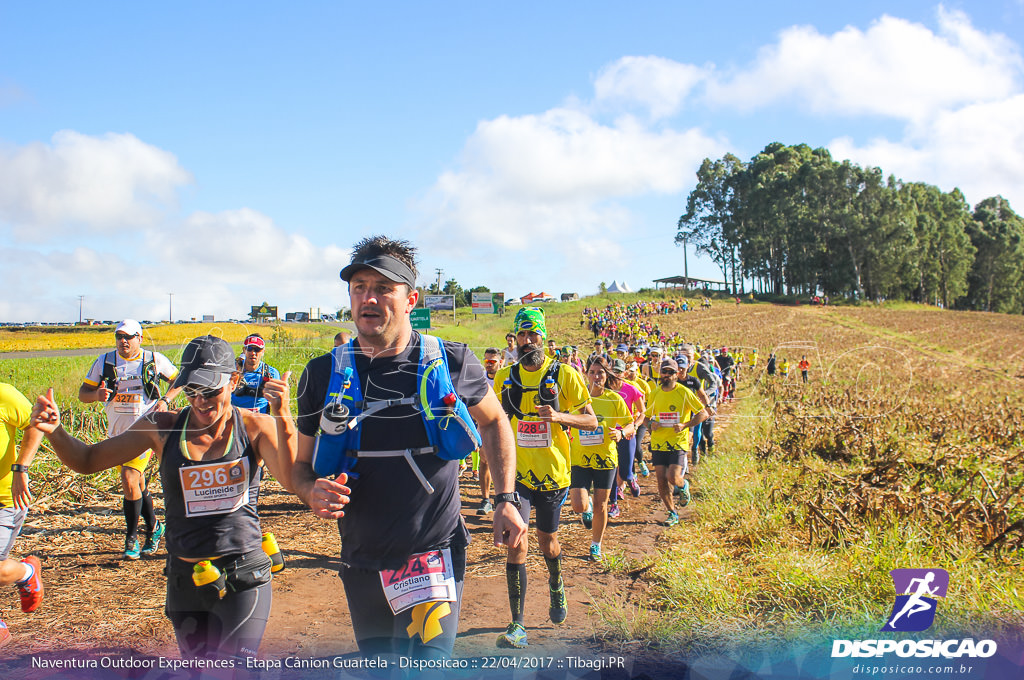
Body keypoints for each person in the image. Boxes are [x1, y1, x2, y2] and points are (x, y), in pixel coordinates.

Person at [290, 236, 526, 663]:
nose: (370, 297)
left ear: (410, 299)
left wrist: (505, 499)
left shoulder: (452, 361)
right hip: (361, 558)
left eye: (384, 288)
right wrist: (309, 491)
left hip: (432, 554)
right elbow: (300, 467)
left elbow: (495, 422)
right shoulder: (321, 373)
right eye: (360, 286)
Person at [33, 335, 296, 661]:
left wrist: (282, 415)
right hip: (186, 582)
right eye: (191, 390)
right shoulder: (162, 427)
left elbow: (290, 478)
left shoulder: (256, 426)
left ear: (234, 380)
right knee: (198, 670)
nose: (200, 401)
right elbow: (87, 460)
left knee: (232, 670)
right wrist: (56, 431)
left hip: (243, 575)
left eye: (210, 391)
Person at [493, 307, 596, 649]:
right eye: (521, 335)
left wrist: (558, 416)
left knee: (546, 542)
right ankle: (517, 624)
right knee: (515, 543)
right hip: (517, 475)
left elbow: (592, 422)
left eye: (532, 334)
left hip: (554, 474)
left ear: (543, 336)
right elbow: (495, 423)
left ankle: (556, 582)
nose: (527, 341)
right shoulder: (505, 377)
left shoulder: (564, 374)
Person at [78, 319, 181, 560]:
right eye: (119, 336)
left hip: (144, 432)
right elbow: (83, 394)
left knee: (129, 478)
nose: (123, 341)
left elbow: (179, 380)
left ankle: (131, 537)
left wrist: (165, 400)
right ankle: (155, 527)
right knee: (136, 484)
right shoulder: (104, 362)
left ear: (140, 338)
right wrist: (96, 395)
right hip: (117, 433)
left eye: (129, 336)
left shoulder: (154, 360)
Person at [568, 358, 631, 561]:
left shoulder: (614, 399)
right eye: (593, 372)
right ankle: (585, 509)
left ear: (607, 375)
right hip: (579, 458)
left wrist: (621, 434)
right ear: (586, 374)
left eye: (600, 373)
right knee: (578, 504)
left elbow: (630, 424)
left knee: (601, 505)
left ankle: (596, 545)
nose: (596, 376)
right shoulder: (578, 398)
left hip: (605, 459)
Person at [0, 383, 45, 645]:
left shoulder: (4, 394)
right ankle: (26, 573)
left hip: (5, 499)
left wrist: (21, 468)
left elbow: (36, 423)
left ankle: (26, 573)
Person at [644, 358, 708, 526]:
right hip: (658, 443)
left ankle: (683, 484)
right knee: (661, 480)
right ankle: (672, 512)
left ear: (677, 374)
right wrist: (651, 424)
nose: (666, 375)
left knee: (672, 477)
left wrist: (685, 425)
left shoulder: (684, 392)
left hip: (677, 442)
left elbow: (703, 413)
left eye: (670, 372)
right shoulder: (655, 393)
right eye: (664, 372)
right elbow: (646, 418)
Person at [606, 358, 645, 519]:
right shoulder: (604, 391)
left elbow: (642, 412)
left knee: (625, 471)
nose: (615, 375)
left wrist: (634, 426)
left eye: (619, 372)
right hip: (609, 434)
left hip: (627, 433)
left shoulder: (632, 390)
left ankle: (631, 479)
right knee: (612, 470)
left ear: (625, 373)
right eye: (613, 372)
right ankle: (614, 504)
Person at [477, 347, 505, 515]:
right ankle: (486, 499)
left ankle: (503, 497)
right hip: (485, 425)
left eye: (492, 361)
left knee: (505, 464)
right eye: (486, 361)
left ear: (500, 362)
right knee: (484, 461)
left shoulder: (507, 378)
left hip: (504, 426)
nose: (488, 364)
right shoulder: (481, 380)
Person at [231, 334, 282, 414]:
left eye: (257, 349)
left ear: (263, 352)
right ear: (244, 350)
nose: (253, 353)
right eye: (249, 349)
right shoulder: (233, 370)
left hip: (261, 421)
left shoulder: (271, 373)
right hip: (235, 420)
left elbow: (278, 403)